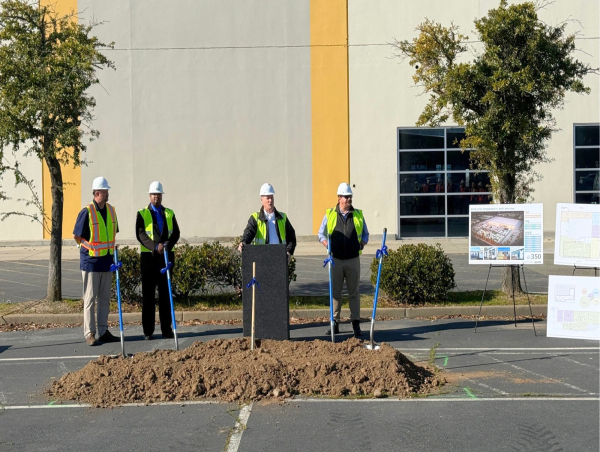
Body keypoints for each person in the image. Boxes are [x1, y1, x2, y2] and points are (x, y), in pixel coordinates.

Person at [73, 176, 120, 346]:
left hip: (106, 261)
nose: (107, 194)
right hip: (91, 263)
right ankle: (89, 333)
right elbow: (77, 237)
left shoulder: (111, 210)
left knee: (105, 299)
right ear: (97, 193)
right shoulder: (87, 212)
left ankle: (103, 330)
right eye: (105, 191)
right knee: (90, 299)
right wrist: (90, 247)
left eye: (107, 191)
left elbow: (113, 234)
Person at [318, 183, 369, 337]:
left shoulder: (358, 215)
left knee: (354, 292)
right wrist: (328, 246)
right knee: (335, 293)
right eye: (346, 197)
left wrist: (361, 244)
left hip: (353, 259)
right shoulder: (330, 214)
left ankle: (355, 323)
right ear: (339, 198)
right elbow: (321, 234)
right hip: (335, 259)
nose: (349, 199)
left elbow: (366, 234)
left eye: (350, 196)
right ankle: (334, 323)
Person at [135, 181, 181, 340]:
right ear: (149, 196)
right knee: (148, 297)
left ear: (161, 196)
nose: (156, 197)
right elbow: (140, 234)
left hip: (166, 258)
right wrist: (155, 246)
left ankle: (166, 330)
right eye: (154, 194)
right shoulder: (142, 213)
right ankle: (148, 331)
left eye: (159, 194)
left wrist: (167, 245)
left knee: (165, 295)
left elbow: (175, 233)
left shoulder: (169, 213)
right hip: (149, 259)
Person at [238, 183, 297, 261]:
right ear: (261, 199)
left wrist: (289, 252)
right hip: (262, 258)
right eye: (268, 198)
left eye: (272, 197)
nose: (270, 200)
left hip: (279, 257)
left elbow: (291, 237)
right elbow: (249, 232)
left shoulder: (283, 217)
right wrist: (244, 242)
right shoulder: (255, 218)